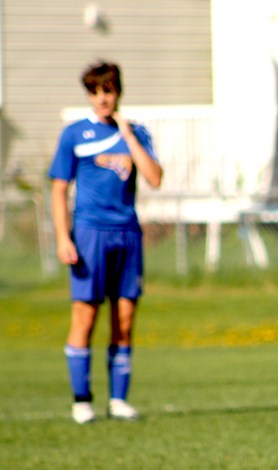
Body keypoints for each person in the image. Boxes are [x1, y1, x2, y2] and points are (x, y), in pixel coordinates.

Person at [49, 61, 163, 424]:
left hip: (127, 233)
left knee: (125, 318)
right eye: (95, 92)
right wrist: (63, 237)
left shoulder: (137, 133)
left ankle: (118, 400)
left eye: (108, 91)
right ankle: (82, 400)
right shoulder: (74, 135)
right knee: (85, 315)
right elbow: (59, 189)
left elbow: (155, 178)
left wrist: (129, 138)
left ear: (118, 92)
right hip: (88, 233)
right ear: (89, 94)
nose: (102, 98)